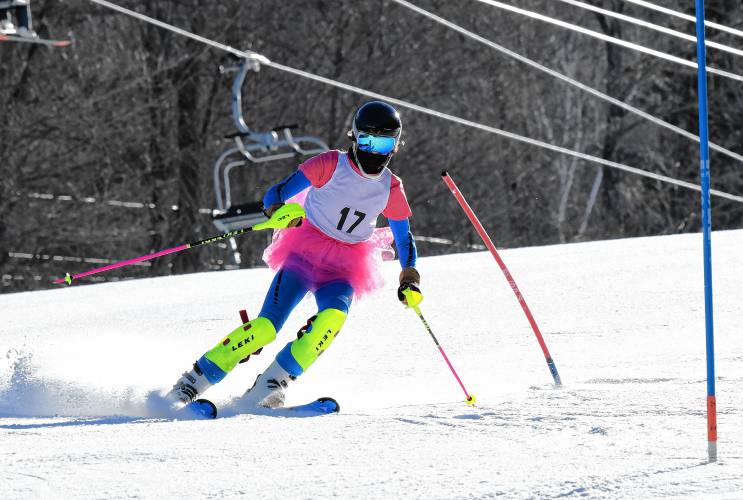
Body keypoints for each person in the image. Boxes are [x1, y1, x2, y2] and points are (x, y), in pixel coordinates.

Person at [166, 101, 422, 411]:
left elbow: (403, 236)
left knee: (331, 321)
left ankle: (272, 384)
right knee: (265, 329)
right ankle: (193, 381)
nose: (375, 151)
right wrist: (276, 211)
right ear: (354, 137)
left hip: (344, 268)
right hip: (305, 252)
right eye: (368, 140)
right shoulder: (330, 164)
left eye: (385, 143)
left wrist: (409, 276)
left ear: (395, 144)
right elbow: (277, 192)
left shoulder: (390, 187)